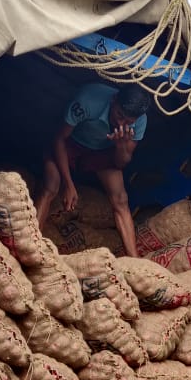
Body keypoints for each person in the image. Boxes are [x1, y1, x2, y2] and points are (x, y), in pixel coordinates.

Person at [36, 81, 153, 257]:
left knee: (121, 199)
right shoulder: (89, 99)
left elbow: (121, 163)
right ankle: (32, 244)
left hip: (102, 151)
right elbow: (59, 139)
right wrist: (68, 184)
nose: (121, 123)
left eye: (128, 121)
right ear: (114, 100)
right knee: (52, 185)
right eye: (119, 115)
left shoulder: (140, 121)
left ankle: (134, 260)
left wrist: (120, 145)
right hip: (71, 144)